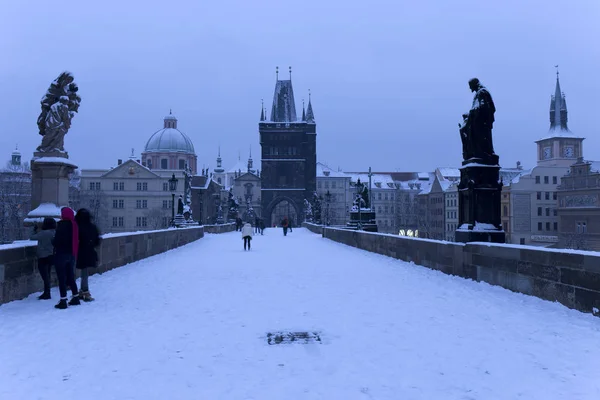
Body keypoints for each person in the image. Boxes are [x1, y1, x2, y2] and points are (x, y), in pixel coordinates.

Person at [52, 207, 80, 309]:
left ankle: (63, 300)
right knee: (71, 277)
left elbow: (57, 242)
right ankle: (76, 297)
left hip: (61, 254)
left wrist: (53, 241)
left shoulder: (61, 226)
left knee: (62, 278)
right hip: (71, 254)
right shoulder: (74, 225)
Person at [75, 208, 101, 302]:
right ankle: (84, 291)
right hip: (89, 251)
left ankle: (83, 291)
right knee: (84, 272)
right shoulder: (92, 227)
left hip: (78, 251)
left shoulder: (76, 226)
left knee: (82, 271)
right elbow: (97, 240)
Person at [30, 217, 56, 300]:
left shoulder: (44, 233)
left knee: (45, 276)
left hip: (43, 256)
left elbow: (32, 237)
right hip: (51, 255)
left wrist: (35, 228)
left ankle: (47, 293)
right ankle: (47, 292)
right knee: (47, 274)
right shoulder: (54, 232)